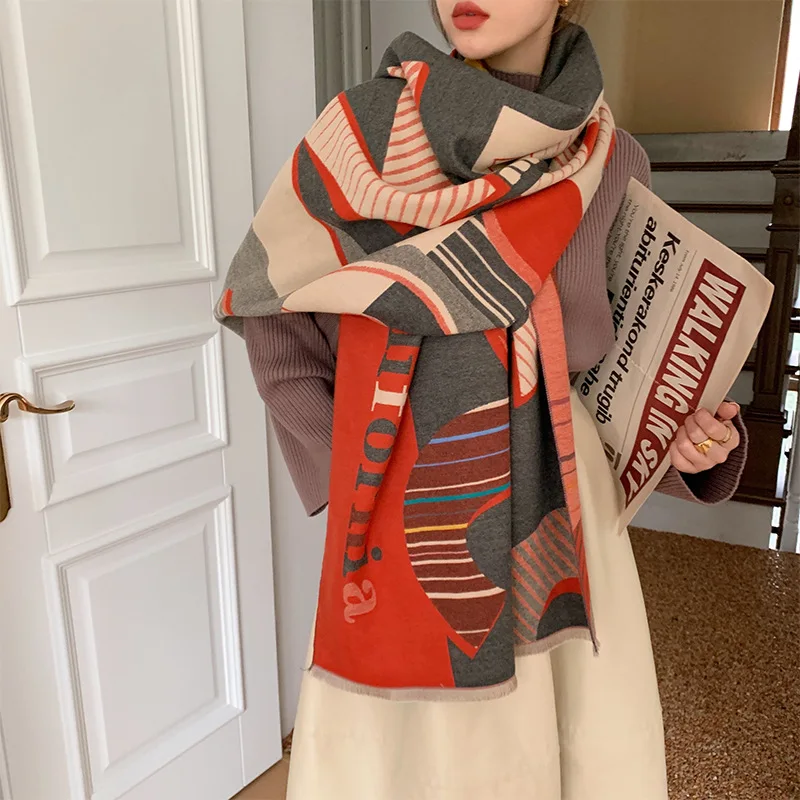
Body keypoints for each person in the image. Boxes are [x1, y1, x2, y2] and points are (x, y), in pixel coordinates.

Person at [221, 1, 747, 797]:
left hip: (562, 509)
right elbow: (268, 302)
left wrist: (686, 443)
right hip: (409, 505)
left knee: (571, 746)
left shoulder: (610, 158)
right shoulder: (360, 137)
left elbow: (615, 371)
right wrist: (349, 470)